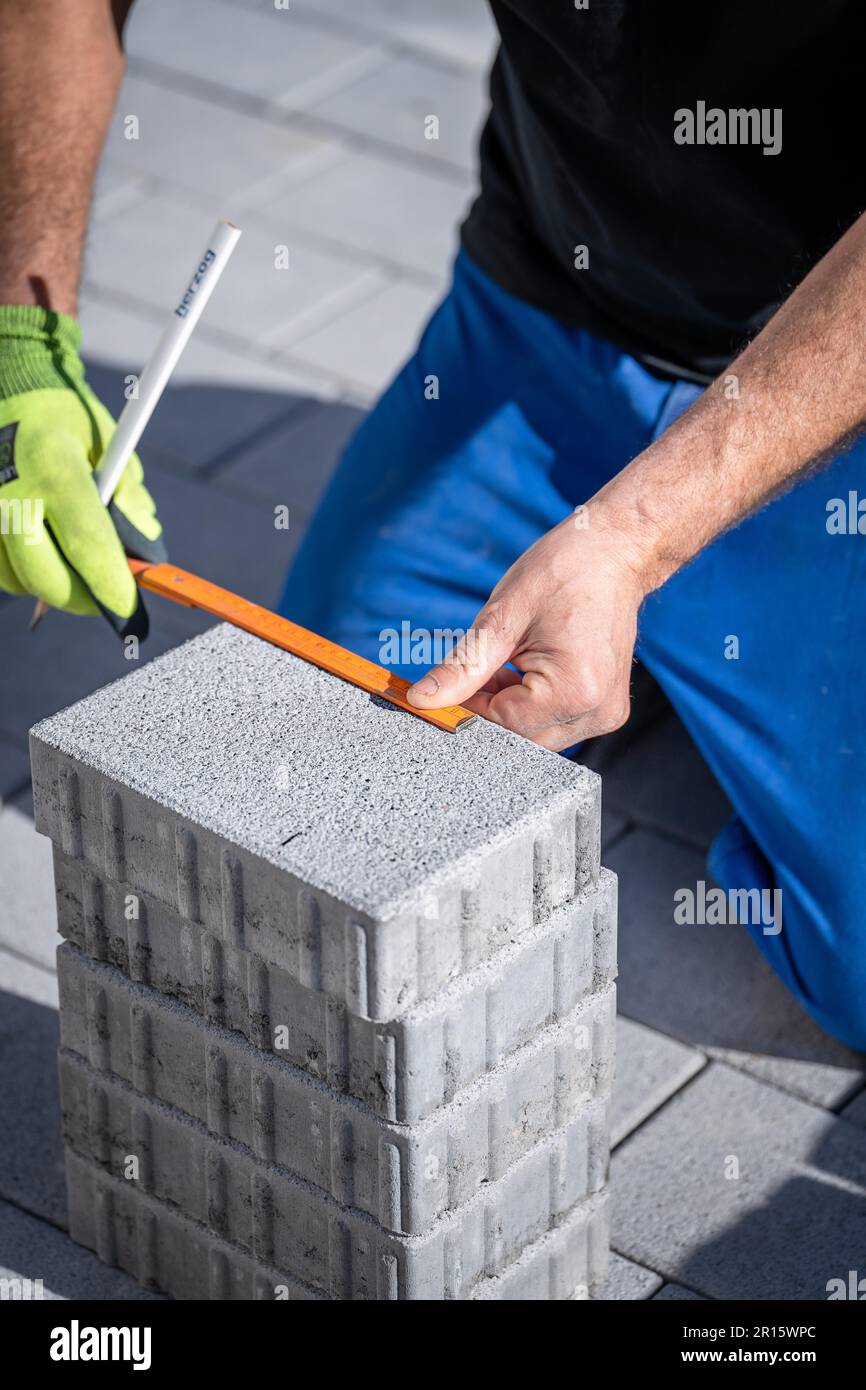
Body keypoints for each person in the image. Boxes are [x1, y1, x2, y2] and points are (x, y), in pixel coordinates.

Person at [1, 1, 865, 1049]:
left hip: (824, 398)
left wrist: (636, 536)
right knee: (325, 800)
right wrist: (25, 344)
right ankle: (654, 654)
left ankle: (675, 638)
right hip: (546, 328)